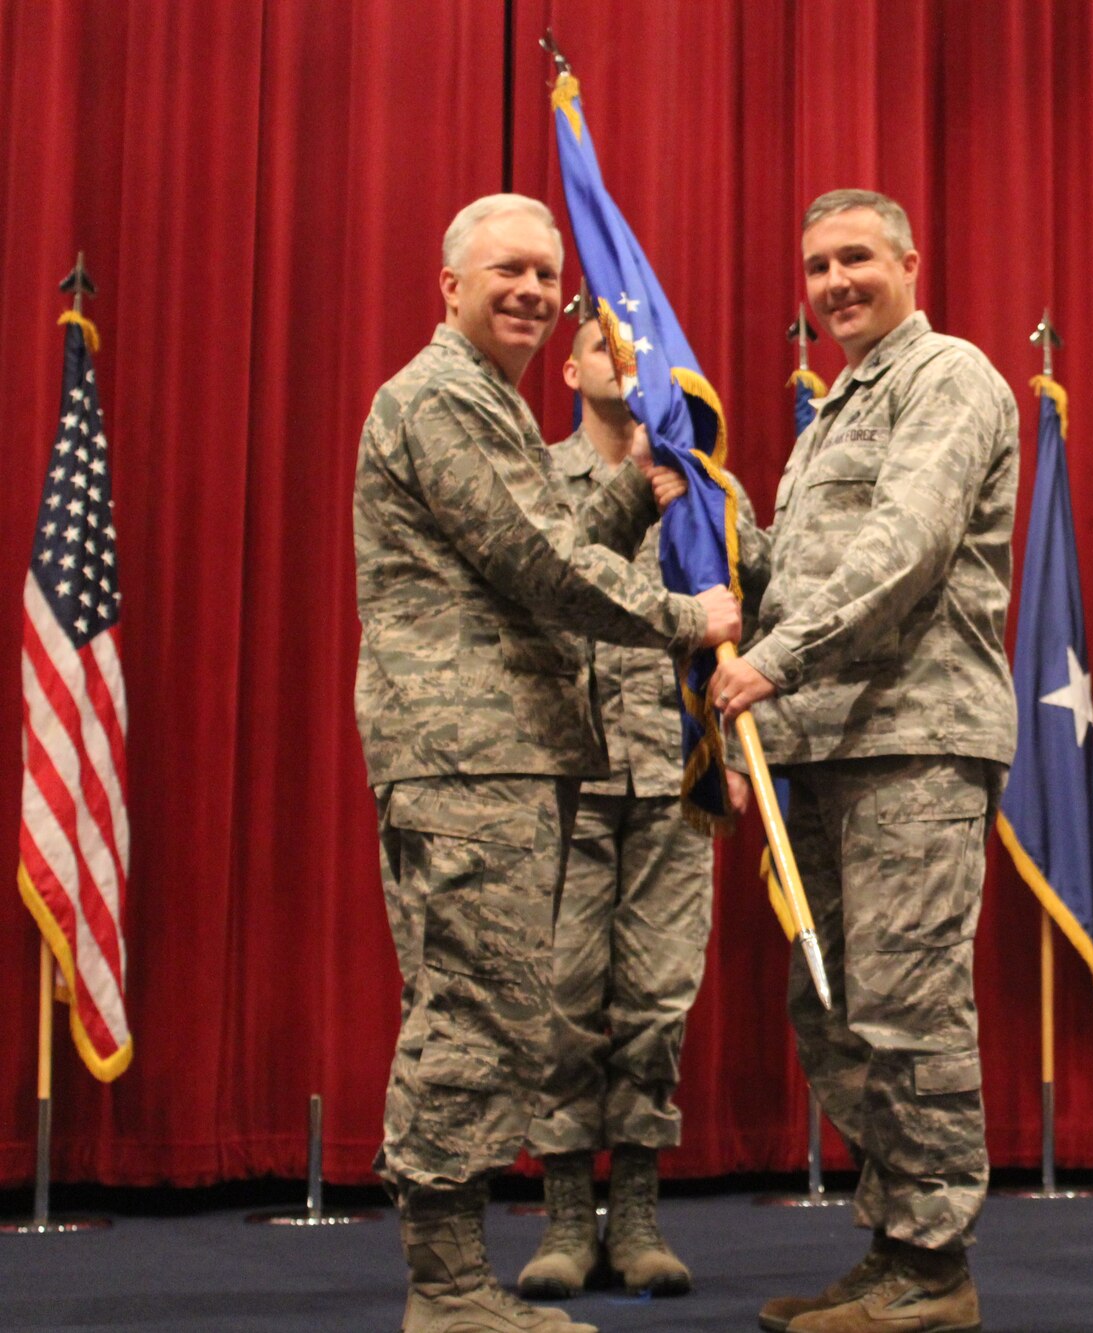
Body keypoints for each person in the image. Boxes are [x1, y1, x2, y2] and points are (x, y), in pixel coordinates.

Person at [353, 193, 740, 1333]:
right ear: (450, 288)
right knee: (471, 1015)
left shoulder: (489, 405)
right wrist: (685, 613)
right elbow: (534, 563)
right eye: (506, 272)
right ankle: (449, 1288)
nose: (528, 292)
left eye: (544, 276)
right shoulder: (440, 397)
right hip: (470, 757)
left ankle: (457, 1279)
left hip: (498, 756)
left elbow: (545, 545)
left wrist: (638, 488)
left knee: (488, 1011)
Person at [706, 188, 1018, 1333]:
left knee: (906, 1009)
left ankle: (935, 1268)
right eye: (816, 265)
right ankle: (895, 1249)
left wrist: (776, 660)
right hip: (825, 752)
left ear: (908, 262)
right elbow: (798, 562)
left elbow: (906, 545)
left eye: (855, 258)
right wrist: (708, 509)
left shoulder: (952, 379)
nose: (834, 281)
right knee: (833, 1014)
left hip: (914, 746)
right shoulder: (836, 407)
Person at [517, 318, 763, 1302]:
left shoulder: (711, 487)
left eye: (634, 349)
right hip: (567, 774)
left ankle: (641, 1215)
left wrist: (749, 751)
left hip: (676, 775)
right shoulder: (534, 478)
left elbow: (756, 615)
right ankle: (568, 1217)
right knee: (565, 1005)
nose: (616, 364)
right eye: (596, 348)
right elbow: (535, 593)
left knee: (657, 1002)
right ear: (569, 368)